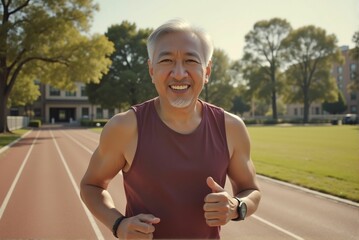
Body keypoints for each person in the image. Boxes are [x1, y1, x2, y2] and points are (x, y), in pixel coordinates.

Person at [80, 18, 261, 239]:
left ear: (207, 71)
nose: (178, 73)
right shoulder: (125, 127)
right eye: (166, 60)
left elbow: (251, 191)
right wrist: (119, 224)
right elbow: (91, 186)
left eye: (190, 60)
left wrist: (236, 206)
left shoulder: (231, 127)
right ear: (151, 70)